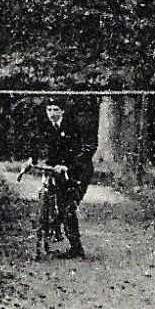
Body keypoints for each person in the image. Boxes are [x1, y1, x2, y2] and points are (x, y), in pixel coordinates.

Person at [30, 97, 94, 259]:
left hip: (79, 171)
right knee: (56, 203)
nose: (51, 114)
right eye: (49, 110)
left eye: (55, 110)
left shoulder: (74, 125)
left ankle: (76, 248)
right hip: (59, 172)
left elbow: (87, 148)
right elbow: (42, 147)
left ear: (62, 111)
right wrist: (34, 159)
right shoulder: (47, 127)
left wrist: (69, 166)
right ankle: (57, 235)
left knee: (69, 207)